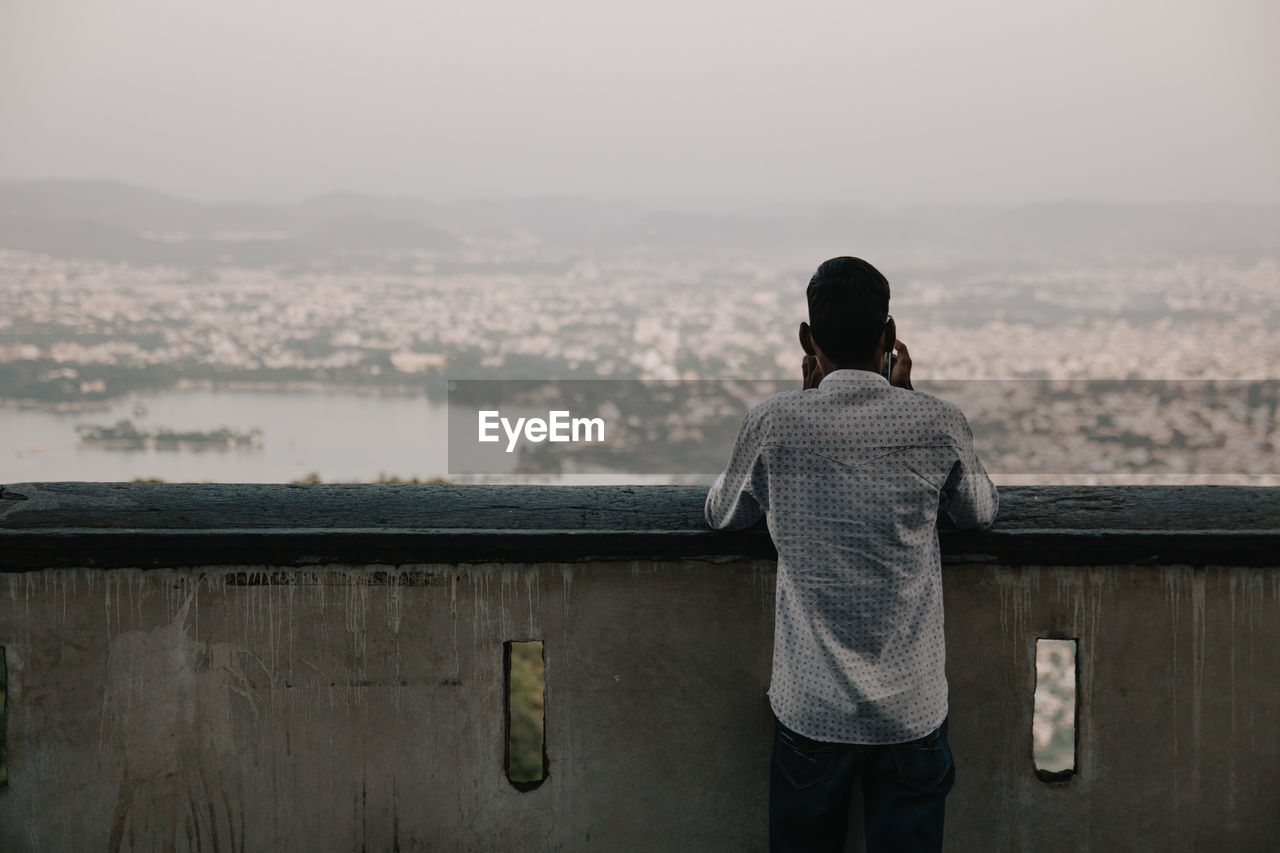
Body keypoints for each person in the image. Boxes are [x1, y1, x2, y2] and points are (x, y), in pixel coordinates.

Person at [704, 256, 999, 853]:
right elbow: (979, 511)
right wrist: (908, 401)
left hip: (812, 711)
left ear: (808, 340)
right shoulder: (937, 423)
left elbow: (721, 512)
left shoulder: (774, 423)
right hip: (910, 711)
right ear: (889, 337)